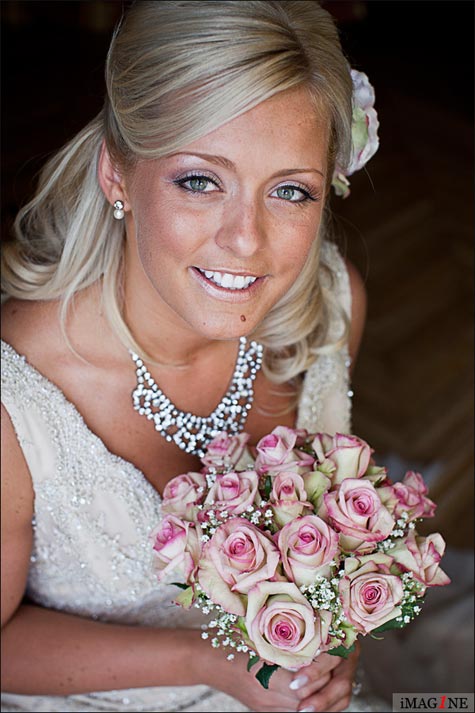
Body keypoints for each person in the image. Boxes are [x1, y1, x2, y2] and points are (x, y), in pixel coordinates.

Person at [1, 2, 384, 711]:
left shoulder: (329, 308)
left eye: (290, 190)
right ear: (117, 173)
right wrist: (206, 659)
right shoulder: (15, 400)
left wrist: (336, 628)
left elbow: (326, 542)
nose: (246, 240)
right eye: (199, 181)